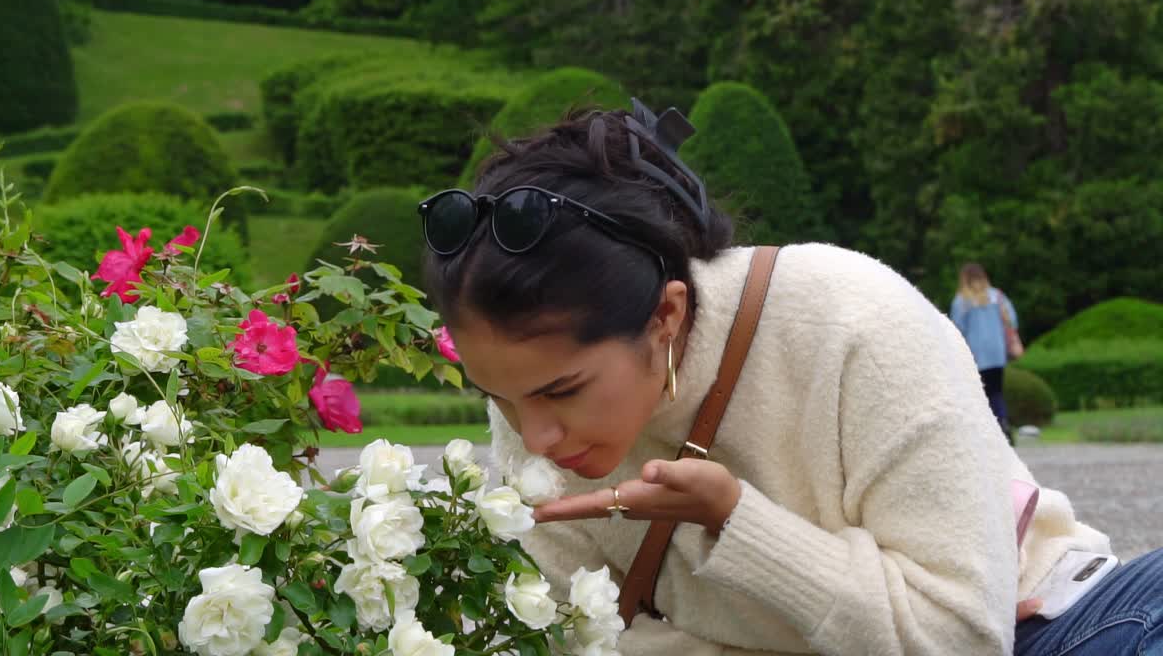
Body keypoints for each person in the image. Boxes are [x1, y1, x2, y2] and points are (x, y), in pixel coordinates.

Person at [417, 101, 1163, 655]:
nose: (535, 441)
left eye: (561, 392)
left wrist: (738, 521)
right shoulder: (532, 401)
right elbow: (572, 637)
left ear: (666, 316)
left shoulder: (854, 321)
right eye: (499, 400)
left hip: (1056, 629)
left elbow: (964, 635)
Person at [951, 263, 1020, 444]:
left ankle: (989, 432)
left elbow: (957, 328)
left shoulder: (962, 301)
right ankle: (1003, 423)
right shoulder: (997, 296)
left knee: (980, 393)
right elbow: (1012, 320)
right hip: (997, 352)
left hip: (976, 354)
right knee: (996, 391)